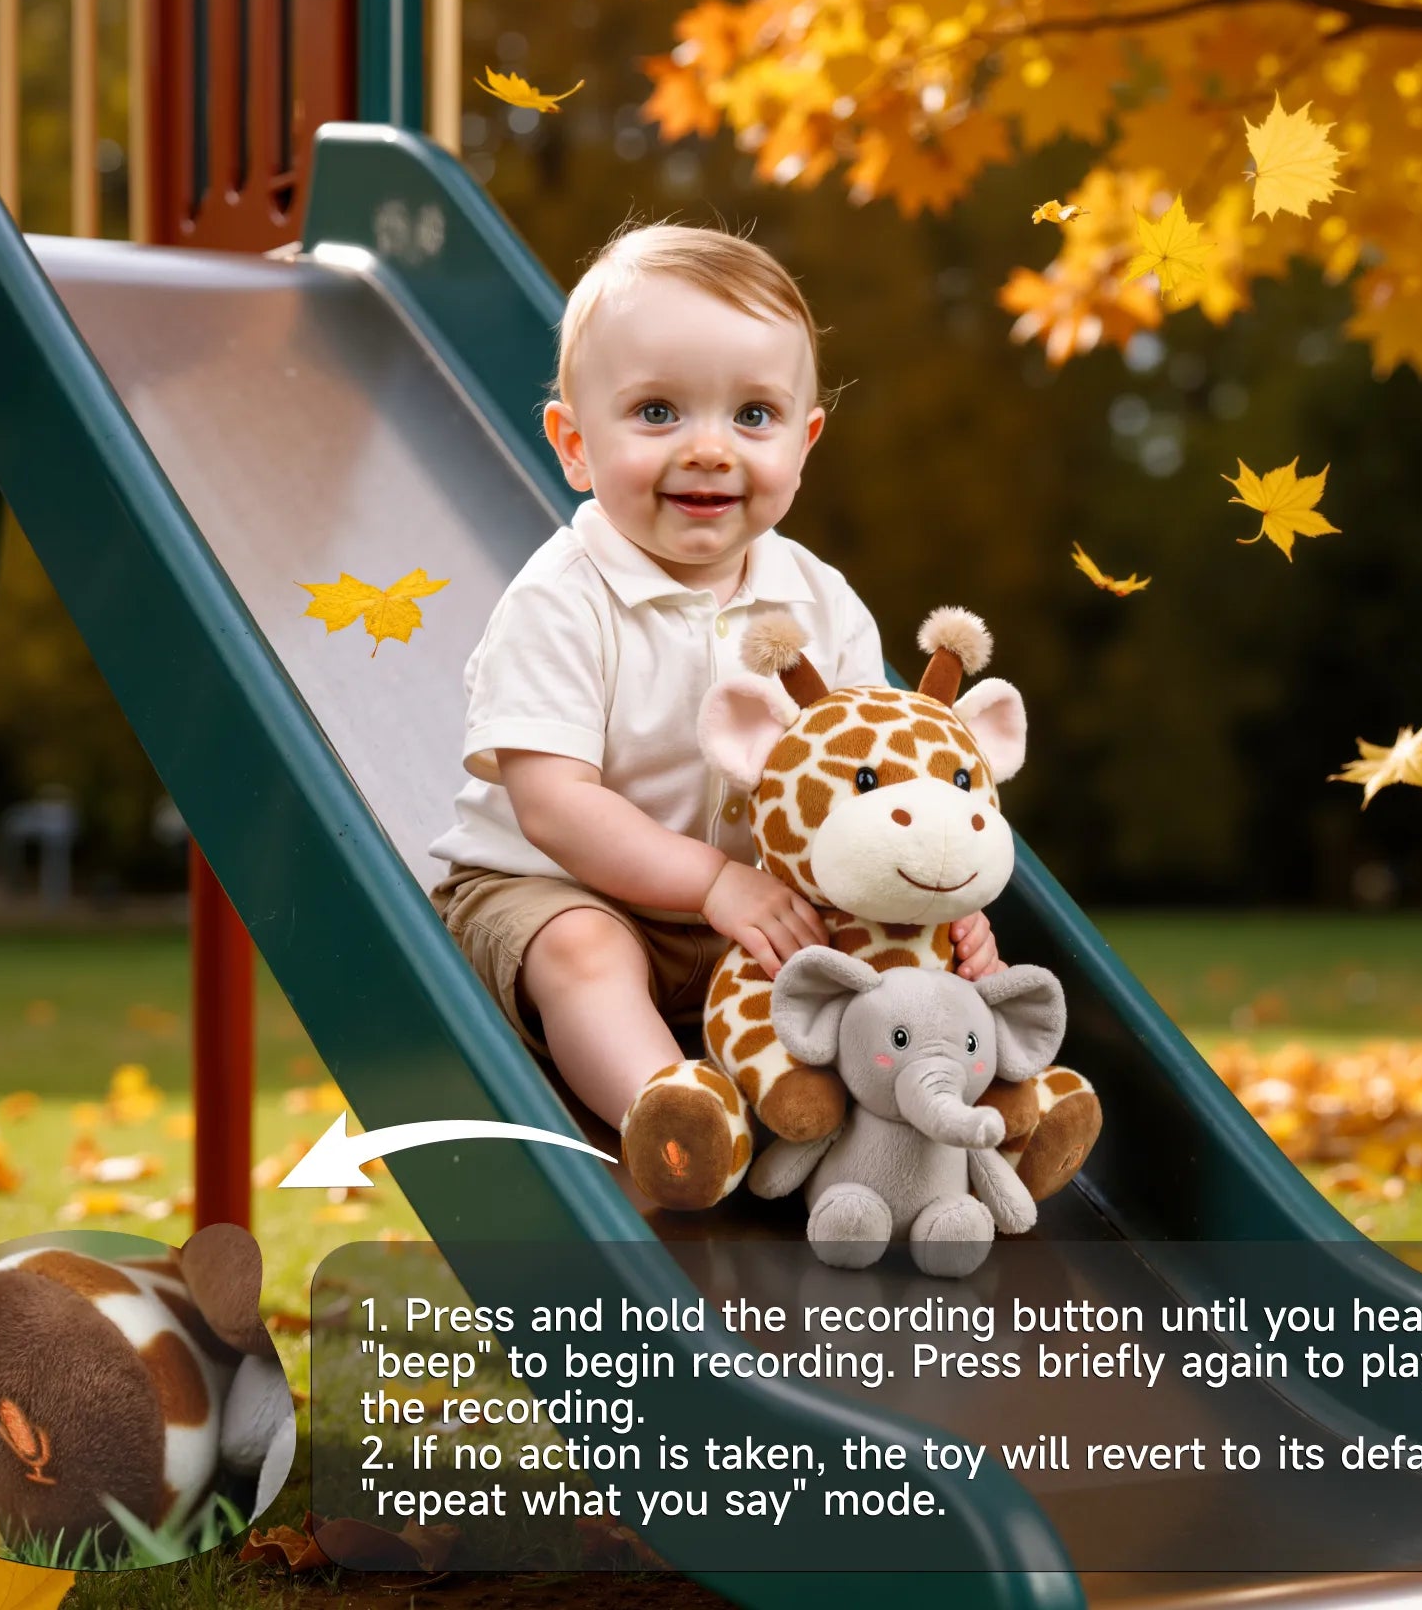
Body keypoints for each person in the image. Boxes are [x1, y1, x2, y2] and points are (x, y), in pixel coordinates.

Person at [428, 224, 1000, 1210]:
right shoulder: (562, 601)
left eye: (753, 414)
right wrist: (712, 883)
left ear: (804, 442)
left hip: (758, 911)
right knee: (581, 950)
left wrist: (938, 898)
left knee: (892, 966)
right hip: (558, 891)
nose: (708, 449)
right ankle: (673, 1113)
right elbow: (555, 806)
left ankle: (917, 1142)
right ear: (574, 443)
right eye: (657, 411)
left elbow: (887, 781)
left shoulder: (818, 602)